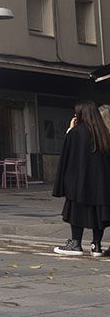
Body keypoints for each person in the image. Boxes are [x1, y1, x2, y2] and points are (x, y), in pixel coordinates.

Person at [51, 101, 110, 257]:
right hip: (100, 184)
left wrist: (70, 129)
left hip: (79, 182)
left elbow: (66, 155)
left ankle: (75, 243)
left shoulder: (76, 132)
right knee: (98, 214)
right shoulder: (103, 133)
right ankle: (96, 245)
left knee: (76, 211)